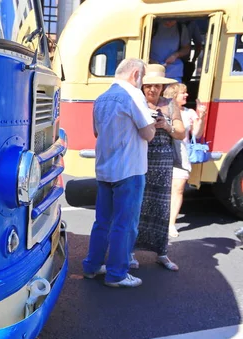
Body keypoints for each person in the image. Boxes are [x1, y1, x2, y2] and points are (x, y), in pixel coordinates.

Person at [82, 58, 156, 288]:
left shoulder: (101, 98)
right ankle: (117, 274)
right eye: (142, 77)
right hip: (129, 169)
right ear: (135, 74)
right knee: (125, 224)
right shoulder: (133, 96)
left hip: (105, 168)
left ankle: (92, 266)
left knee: (102, 221)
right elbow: (147, 134)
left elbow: (96, 132)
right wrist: (156, 124)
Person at [131, 65, 185, 272]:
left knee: (162, 206)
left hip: (162, 159)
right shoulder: (137, 103)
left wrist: (166, 125)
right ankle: (130, 251)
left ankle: (161, 252)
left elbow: (180, 133)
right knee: (137, 205)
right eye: (148, 85)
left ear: (162, 88)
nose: (152, 90)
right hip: (141, 157)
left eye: (157, 86)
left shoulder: (170, 105)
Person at [163, 83, 207, 237]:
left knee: (178, 189)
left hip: (182, 154)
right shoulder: (164, 109)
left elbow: (197, 134)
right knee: (162, 190)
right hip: (164, 153)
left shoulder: (189, 112)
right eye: (183, 93)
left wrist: (201, 117)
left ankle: (171, 224)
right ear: (174, 95)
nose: (187, 95)